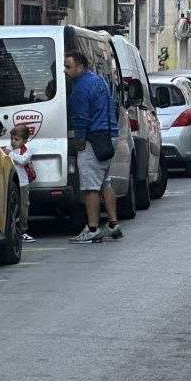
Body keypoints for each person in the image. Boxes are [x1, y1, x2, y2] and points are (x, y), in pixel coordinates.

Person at [64, 50, 121, 243]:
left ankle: (93, 228)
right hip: (108, 136)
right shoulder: (99, 81)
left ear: (80, 66)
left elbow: (81, 118)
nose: (65, 70)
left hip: (93, 139)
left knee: (90, 187)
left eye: (68, 66)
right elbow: (112, 106)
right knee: (105, 182)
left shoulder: (81, 88)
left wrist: (79, 140)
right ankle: (113, 224)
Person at [6, 124, 36, 243]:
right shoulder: (9, 148)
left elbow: (23, 160)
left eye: (16, 139)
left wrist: (9, 153)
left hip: (23, 184)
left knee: (23, 208)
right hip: (12, 183)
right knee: (13, 207)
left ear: (24, 140)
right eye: (12, 139)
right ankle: (12, 230)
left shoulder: (26, 151)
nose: (13, 142)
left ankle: (23, 231)